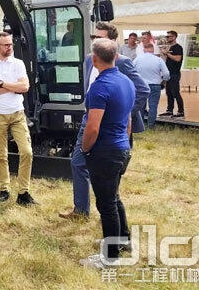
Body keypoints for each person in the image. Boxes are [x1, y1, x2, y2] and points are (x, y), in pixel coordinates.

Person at [59, 21, 148, 219]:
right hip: (90, 120)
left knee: (112, 173)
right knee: (78, 163)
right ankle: (81, 210)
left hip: (115, 126)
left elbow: (143, 90)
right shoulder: (90, 59)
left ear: (113, 44)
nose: (96, 41)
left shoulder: (122, 62)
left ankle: (111, 212)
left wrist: (123, 113)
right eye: (94, 38)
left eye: (101, 38)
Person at [79, 38, 134, 270]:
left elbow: (92, 127)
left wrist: (85, 148)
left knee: (106, 203)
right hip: (122, 148)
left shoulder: (100, 87)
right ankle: (123, 240)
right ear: (116, 57)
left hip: (105, 152)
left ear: (95, 59)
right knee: (114, 197)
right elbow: (128, 119)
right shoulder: (126, 81)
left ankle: (110, 257)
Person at [0, 31, 36, 206]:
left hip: (17, 113)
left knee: (27, 151)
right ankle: (4, 190)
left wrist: (2, 83)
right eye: (6, 45)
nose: (10, 47)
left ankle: (23, 192)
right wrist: (14, 87)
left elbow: (25, 86)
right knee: (1, 155)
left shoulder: (18, 63)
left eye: (11, 44)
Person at [133, 44, 169, 128]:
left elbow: (132, 70)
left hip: (141, 84)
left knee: (141, 106)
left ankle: (140, 125)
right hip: (155, 85)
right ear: (153, 50)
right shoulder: (159, 60)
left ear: (144, 50)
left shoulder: (137, 59)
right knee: (153, 105)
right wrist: (164, 81)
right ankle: (151, 125)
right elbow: (166, 73)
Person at [160, 30, 184, 117]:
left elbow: (178, 59)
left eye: (169, 36)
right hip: (168, 74)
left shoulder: (178, 47)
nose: (167, 38)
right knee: (169, 93)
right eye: (167, 36)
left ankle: (181, 111)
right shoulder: (168, 47)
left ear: (174, 37)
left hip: (175, 74)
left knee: (175, 93)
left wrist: (167, 54)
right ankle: (169, 110)